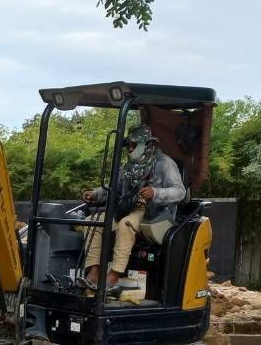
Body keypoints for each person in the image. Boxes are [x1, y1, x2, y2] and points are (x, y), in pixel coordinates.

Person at [79, 124, 186, 291]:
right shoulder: (129, 167)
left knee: (126, 224)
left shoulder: (165, 163)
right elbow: (114, 188)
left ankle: (114, 274)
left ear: (146, 144)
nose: (129, 149)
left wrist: (155, 192)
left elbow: (180, 192)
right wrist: (95, 194)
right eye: (128, 145)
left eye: (134, 145)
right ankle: (94, 270)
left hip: (155, 213)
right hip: (128, 207)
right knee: (93, 221)